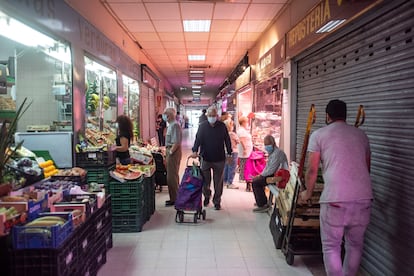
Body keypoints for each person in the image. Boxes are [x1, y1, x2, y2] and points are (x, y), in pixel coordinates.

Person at [299, 99, 373, 276]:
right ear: (345, 115)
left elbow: (312, 170)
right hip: (363, 198)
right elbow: (367, 167)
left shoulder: (319, 135)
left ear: (327, 116)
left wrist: (308, 193)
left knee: (331, 246)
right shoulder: (361, 135)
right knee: (355, 245)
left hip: (335, 199)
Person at [191, 106, 232, 210]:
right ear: (207, 116)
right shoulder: (203, 126)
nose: (212, 117)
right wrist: (195, 150)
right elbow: (198, 139)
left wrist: (230, 153)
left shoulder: (222, 126)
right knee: (205, 181)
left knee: (218, 182)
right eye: (210, 115)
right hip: (205, 157)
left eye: (213, 115)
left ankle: (217, 201)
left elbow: (227, 140)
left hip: (219, 158)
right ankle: (207, 195)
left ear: (217, 116)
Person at [251, 135, 288, 212]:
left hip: (279, 176)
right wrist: (260, 175)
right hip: (274, 174)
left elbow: (271, 170)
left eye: (268, 145)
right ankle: (261, 200)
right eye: (266, 145)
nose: (267, 147)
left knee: (256, 182)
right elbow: (268, 167)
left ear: (273, 144)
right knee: (257, 180)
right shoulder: (272, 152)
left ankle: (263, 204)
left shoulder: (277, 154)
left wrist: (260, 176)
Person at [163, 107, 183, 206]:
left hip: (173, 152)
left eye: (164, 114)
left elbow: (176, 142)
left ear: (169, 115)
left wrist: (170, 152)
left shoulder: (175, 125)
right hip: (170, 150)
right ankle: (174, 196)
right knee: (171, 175)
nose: (163, 116)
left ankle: (174, 198)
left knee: (172, 176)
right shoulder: (171, 125)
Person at [237, 116, 253, 191]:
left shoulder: (243, 130)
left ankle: (248, 184)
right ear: (243, 122)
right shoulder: (242, 131)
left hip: (246, 152)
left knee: (247, 168)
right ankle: (248, 185)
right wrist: (245, 149)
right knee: (247, 168)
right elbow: (242, 140)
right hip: (245, 153)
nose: (247, 123)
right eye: (246, 122)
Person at [223, 118, 239, 189]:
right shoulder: (232, 134)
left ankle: (225, 181)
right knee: (232, 167)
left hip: (226, 152)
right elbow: (238, 141)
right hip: (233, 152)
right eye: (232, 125)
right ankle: (230, 183)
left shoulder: (223, 134)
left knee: (226, 167)